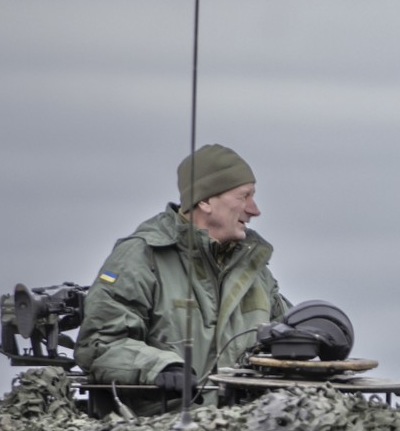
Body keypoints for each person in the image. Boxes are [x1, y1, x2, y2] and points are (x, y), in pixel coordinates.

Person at [76, 144, 291, 401]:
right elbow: (100, 344)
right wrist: (160, 367)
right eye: (243, 196)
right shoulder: (142, 257)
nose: (254, 209)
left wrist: (320, 330)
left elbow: (289, 334)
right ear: (204, 200)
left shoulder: (253, 268)